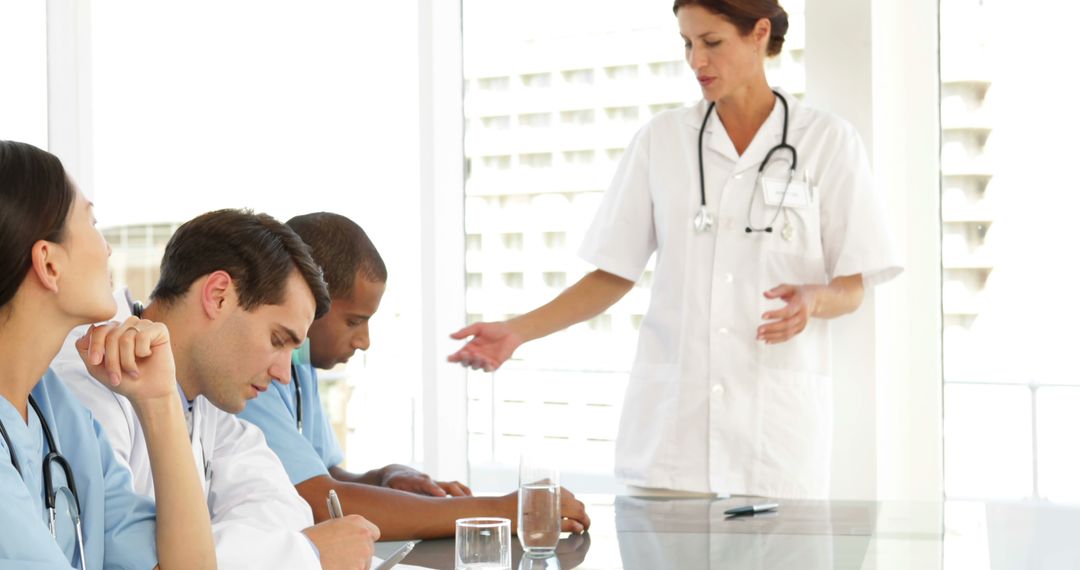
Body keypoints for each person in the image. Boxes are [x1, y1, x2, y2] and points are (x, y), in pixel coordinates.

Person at [448, 0, 901, 499]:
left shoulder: (827, 142)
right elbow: (613, 273)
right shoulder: (661, 141)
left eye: (712, 43)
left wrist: (814, 299)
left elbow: (852, 286)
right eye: (687, 44)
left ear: (759, 34)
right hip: (671, 451)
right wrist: (516, 332)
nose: (696, 61)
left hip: (775, 448)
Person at [51, 209, 380, 569]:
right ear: (218, 295)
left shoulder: (209, 402)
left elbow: (283, 508)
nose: (284, 373)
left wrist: (285, 550)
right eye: (277, 339)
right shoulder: (92, 374)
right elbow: (129, 560)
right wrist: (305, 555)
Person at [238, 212, 591, 540]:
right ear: (311, 302)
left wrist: (384, 477)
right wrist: (499, 511)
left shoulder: (300, 366)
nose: (364, 341)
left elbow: (324, 477)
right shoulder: (254, 374)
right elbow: (318, 501)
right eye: (354, 321)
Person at [0, 140, 216, 568]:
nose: (108, 249)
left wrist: (158, 403)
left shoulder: (59, 414)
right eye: (93, 222)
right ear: (48, 264)